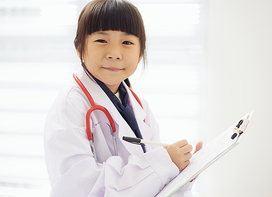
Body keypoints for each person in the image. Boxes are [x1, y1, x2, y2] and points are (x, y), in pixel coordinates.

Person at [44, 0, 203, 196]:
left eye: (127, 42)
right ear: (79, 48)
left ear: (140, 53)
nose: (114, 54)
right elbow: (83, 189)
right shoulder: (71, 106)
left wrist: (182, 171)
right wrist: (164, 163)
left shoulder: (140, 106)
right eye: (102, 40)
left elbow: (154, 183)